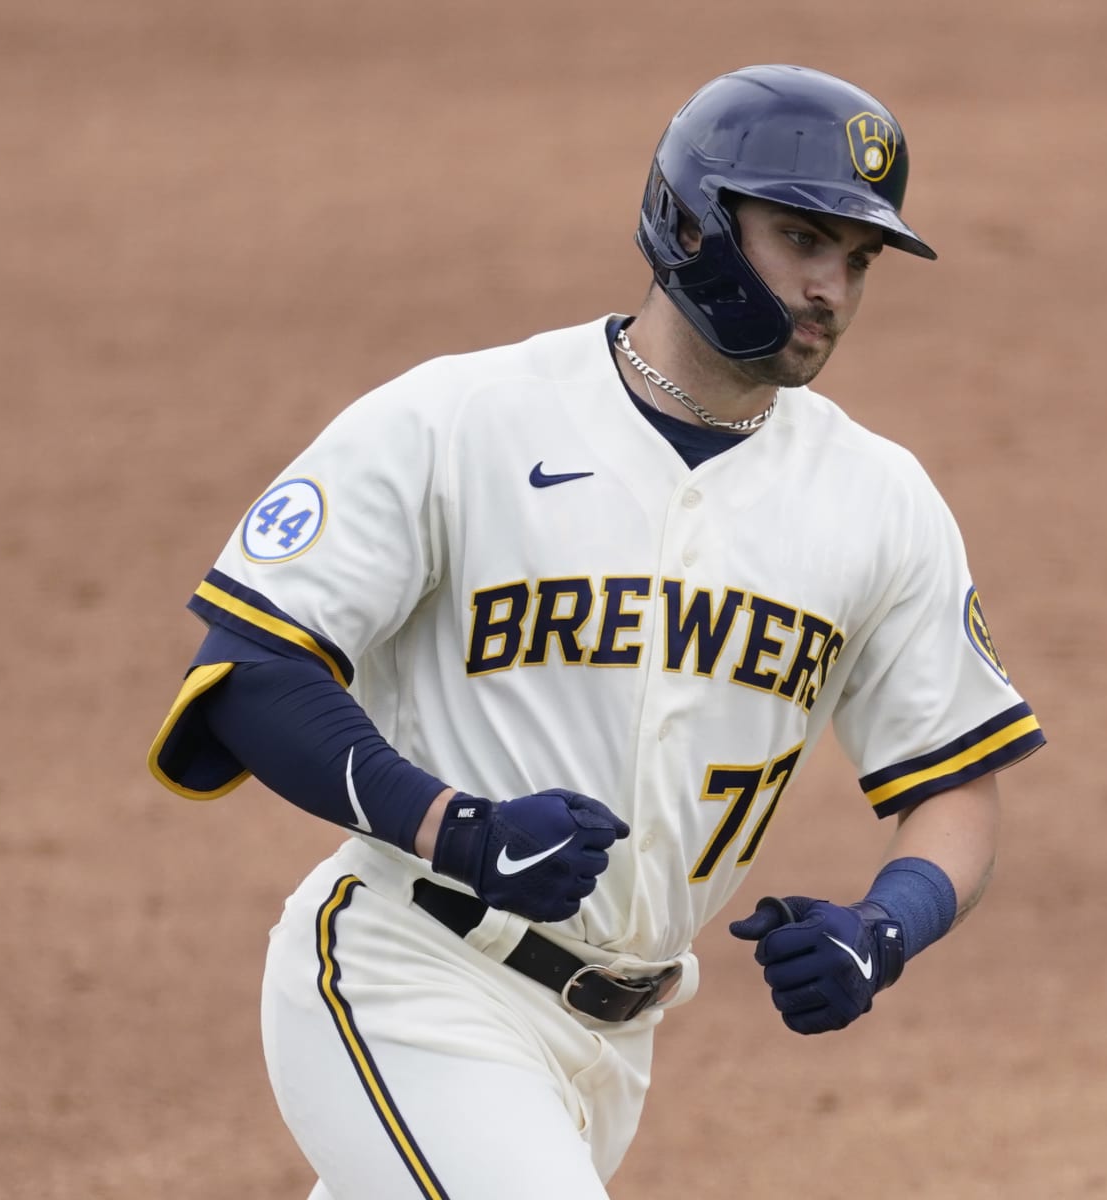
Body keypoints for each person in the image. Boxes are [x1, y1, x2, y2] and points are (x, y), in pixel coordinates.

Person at [149, 63, 1045, 1200]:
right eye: (802, 239)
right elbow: (248, 671)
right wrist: (454, 828)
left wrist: (885, 924)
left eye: (858, 259)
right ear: (694, 222)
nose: (832, 287)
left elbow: (958, 783)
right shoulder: (461, 419)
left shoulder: (879, 499)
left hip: (612, 1050)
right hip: (410, 976)